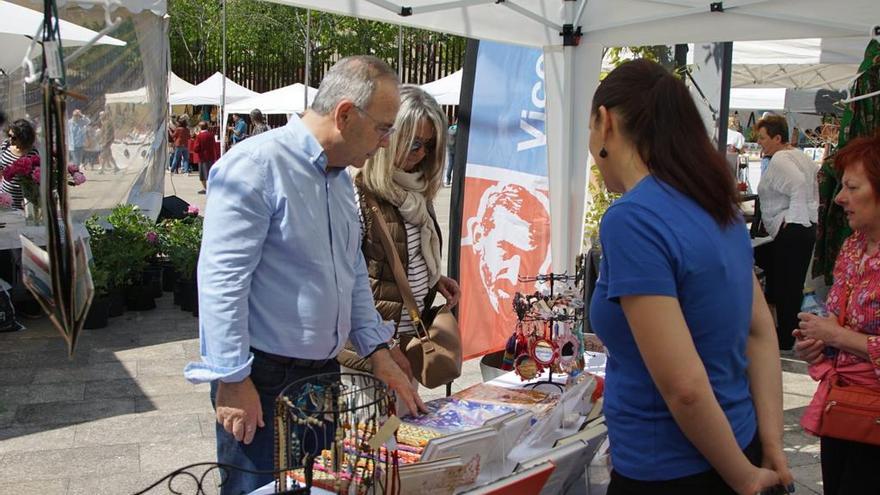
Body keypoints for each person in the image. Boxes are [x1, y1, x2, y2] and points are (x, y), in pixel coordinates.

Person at [184, 55, 426, 495]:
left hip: (321, 376)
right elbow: (222, 282)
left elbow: (351, 271)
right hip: (262, 379)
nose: (387, 142)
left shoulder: (337, 180)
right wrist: (234, 381)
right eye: (383, 128)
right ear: (346, 114)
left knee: (316, 488)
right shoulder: (256, 166)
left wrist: (380, 352)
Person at [588, 59, 791, 494]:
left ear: (605, 123)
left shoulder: (633, 219)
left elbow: (684, 387)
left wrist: (745, 478)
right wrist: (769, 444)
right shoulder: (717, 204)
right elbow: (760, 331)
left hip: (670, 468)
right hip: (742, 440)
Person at [340, 85, 461, 374]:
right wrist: (384, 346)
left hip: (411, 341)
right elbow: (346, 281)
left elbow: (397, 255)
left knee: (403, 419)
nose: (421, 154)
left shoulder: (415, 187)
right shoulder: (357, 192)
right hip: (372, 352)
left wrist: (433, 278)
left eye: (430, 145)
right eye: (414, 143)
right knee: (378, 421)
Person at [795, 134, 880, 492]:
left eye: (851, 186)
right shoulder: (852, 245)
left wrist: (838, 337)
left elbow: (842, 333)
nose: (840, 198)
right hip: (843, 410)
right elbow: (837, 324)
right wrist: (816, 343)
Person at [754, 115, 819, 351]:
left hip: (792, 229)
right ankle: (784, 333)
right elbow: (810, 184)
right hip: (802, 227)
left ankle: (784, 338)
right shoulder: (800, 156)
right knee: (788, 283)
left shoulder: (781, 159)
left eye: (762, 138)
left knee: (786, 287)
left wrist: (793, 217)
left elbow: (799, 184)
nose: (759, 142)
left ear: (777, 138)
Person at [0, 119, 39, 210]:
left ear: (24, 138)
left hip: (23, 203)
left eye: (14, 138)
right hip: (4, 199)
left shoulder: (32, 153)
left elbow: (36, 179)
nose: (10, 139)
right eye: (9, 135)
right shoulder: (5, 145)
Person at [193, 120, 217, 194]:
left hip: (202, 157)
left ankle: (205, 189)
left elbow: (196, 148)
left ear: (200, 127)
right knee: (210, 173)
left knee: (203, 175)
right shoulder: (211, 135)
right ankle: (212, 188)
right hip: (211, 156)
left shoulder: (199, 136)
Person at [444, 118, 457, 186]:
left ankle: (448, 180)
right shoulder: (459, 130)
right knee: (457, 166)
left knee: (450, 165)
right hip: (456, 150)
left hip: (449, 149)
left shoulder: (450, 129)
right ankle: (456, 180)